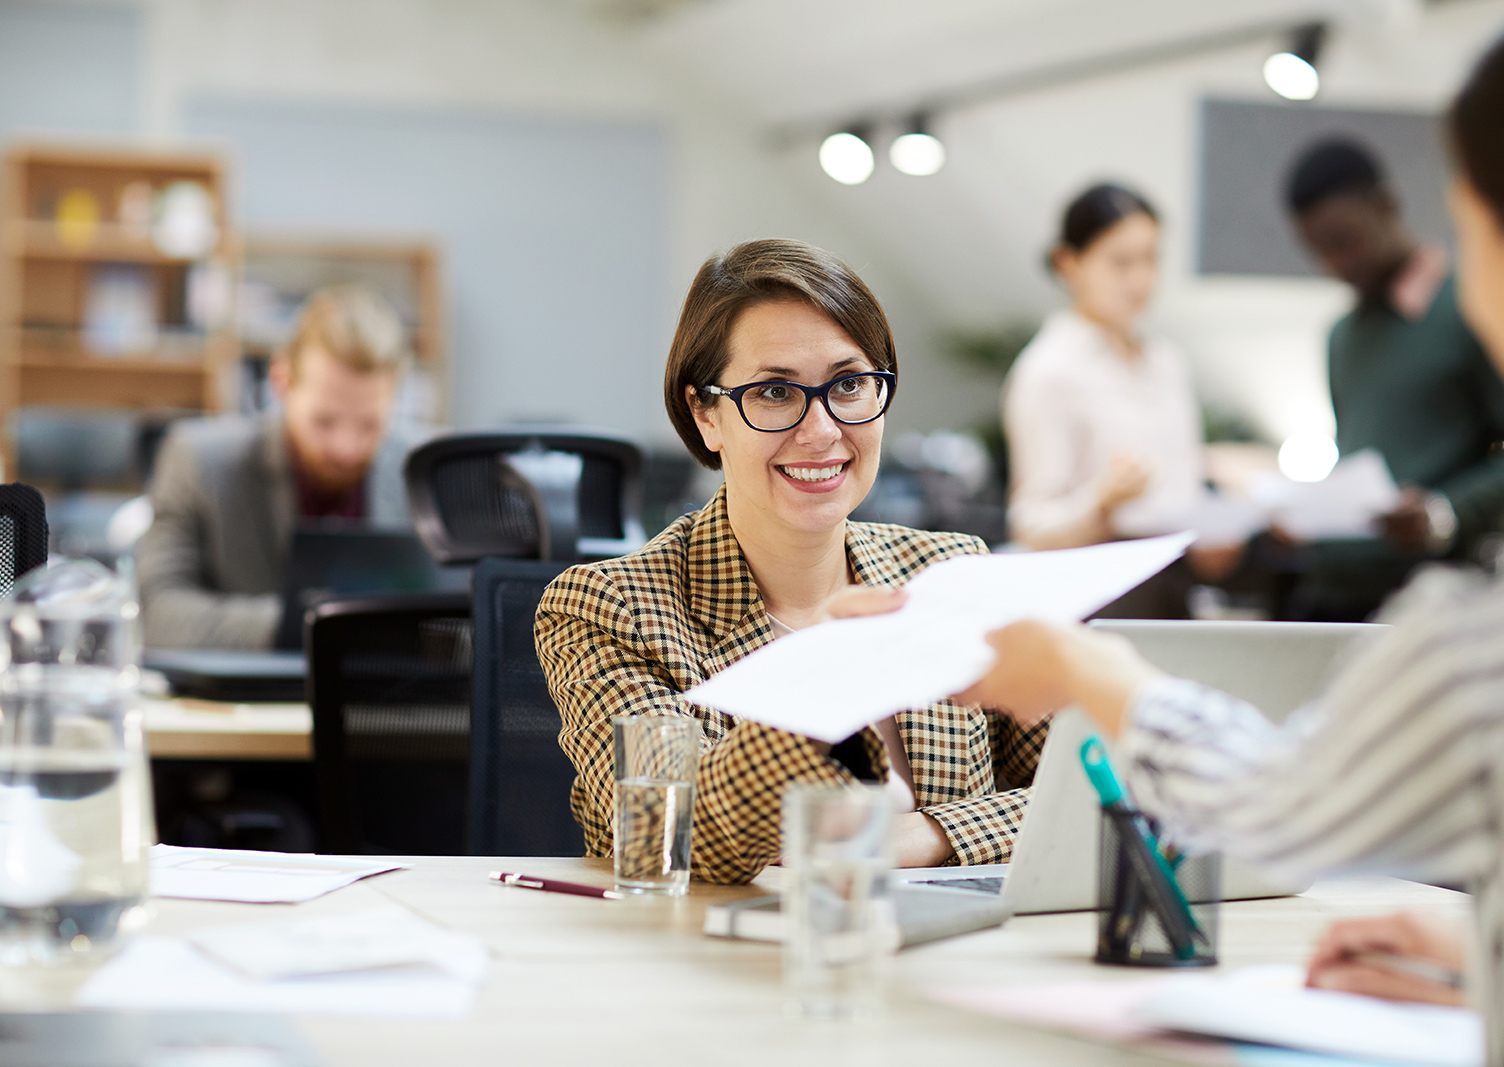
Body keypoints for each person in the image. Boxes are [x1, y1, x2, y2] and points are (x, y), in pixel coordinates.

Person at [830, 40, 1504, 1062]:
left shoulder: (1471, 647)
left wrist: (1080, 665)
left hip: (1144, 631)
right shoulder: (1069, 367)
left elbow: (1274, 806)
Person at [535, 239, 1049, 886]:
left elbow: (1093, 791)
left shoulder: (949, 574)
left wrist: (930, 834)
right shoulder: (614, 608)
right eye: (776, 391)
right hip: (714, 967)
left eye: (850, 384)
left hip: (946, 964)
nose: (823, 429)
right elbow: (674, 834)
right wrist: (826, 682)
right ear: (705, 415)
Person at [1283, 136, 1504, 620]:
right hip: (1331, 589)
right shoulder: (1342, 336)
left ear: (1387, 206)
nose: (1336, 264)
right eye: (1319, 251)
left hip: (1429, 600)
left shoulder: (1469, 308)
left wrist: (1443, 512)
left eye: (1344, 241)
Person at [137, 286, 414, 650]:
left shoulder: (424, 473)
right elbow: (159, 615)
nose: (346, 449)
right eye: (325, 421)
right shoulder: (198, 461)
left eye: (369, 425)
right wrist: (320, 623)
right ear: (282, 380)